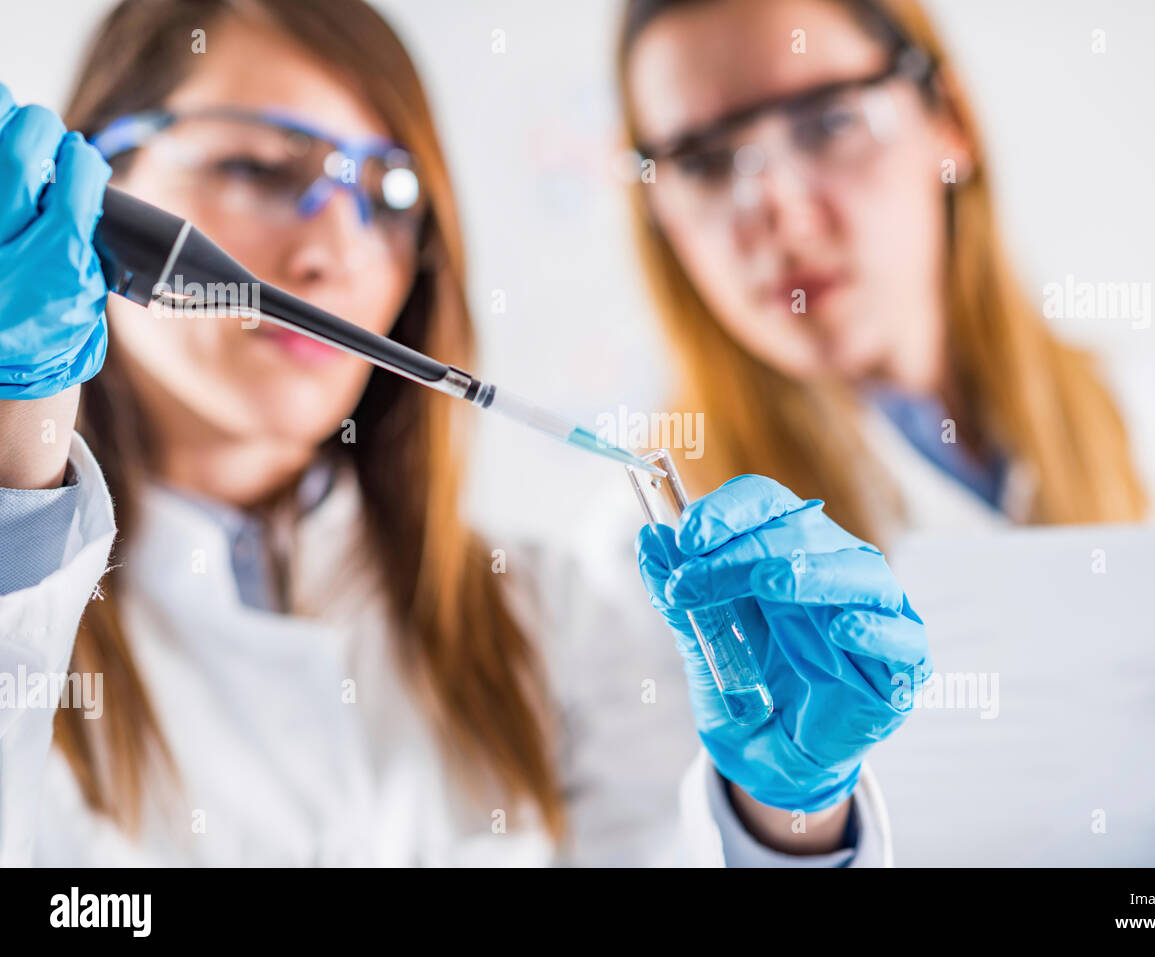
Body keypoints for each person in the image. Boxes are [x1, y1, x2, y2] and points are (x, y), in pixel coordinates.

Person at [0, 0, 929, 866]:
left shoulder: (546, 620)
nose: (333, 249)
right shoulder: (29, 601)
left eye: (390, 194)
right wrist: (20, 446)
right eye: (257, 167)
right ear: (91, 195)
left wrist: (787, 816)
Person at [610, 0, 1155, 549]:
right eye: (700, 161)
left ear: (950, 122)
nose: (781, 213)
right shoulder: (652, 548)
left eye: (830, 121)